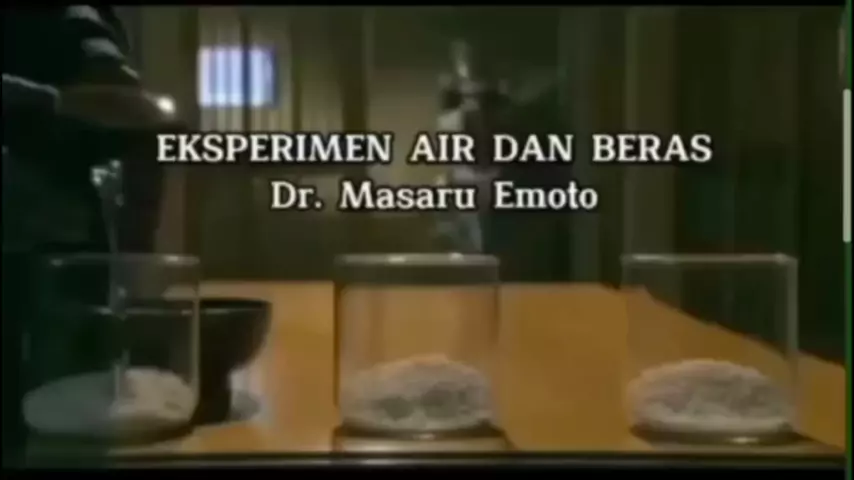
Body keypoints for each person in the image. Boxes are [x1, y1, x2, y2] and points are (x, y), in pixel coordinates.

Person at [2, 6, 173, 463]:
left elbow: (127, 104)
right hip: (43, 250)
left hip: (61, 260)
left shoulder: (80, 17)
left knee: (64, 418)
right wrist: (54, 101)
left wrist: (137, 250)